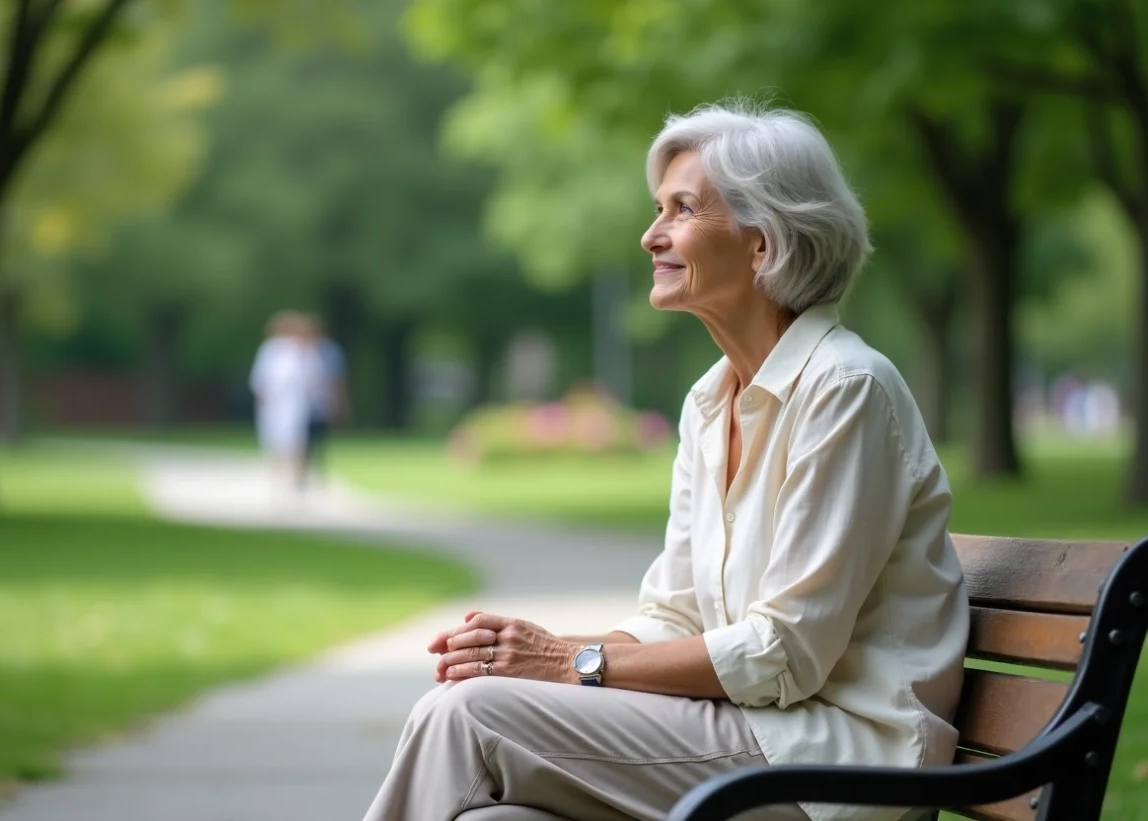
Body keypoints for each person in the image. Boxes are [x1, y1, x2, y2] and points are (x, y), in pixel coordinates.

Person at [363, 101, 970, 821]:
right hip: (758, 736)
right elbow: (672, 615)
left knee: (465, 714)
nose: (652, 235)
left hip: (836, 763)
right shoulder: (709, 402)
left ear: (762, 244)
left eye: (681, 209)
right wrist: (544, 647)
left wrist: (570, 666)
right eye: (659, 209)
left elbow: (784, 652)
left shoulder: (847, 390)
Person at [248, 311, 323, 490]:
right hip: (275, 403)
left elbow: (314, 378)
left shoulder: (305, 351)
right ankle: (278, 475)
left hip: (296, 403)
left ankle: (296, 476)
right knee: (274, 439)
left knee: (297, 440)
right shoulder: (270, 350)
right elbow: (261, 378)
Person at [298, 314, 348, 485]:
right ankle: (301, 472)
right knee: (301, 439)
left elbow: (337, 379)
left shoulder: (329, 351)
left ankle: (318, 471)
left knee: (320, 439)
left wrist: (337, 402)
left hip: (321, 403)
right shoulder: (297, 351)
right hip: (300, 404)